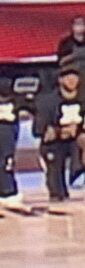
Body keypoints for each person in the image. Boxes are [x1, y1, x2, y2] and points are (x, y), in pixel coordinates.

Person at [34, 66, 85, 202]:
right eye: (68, 78)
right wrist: (59, 131)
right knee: (58, 192)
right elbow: (38, 129)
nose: (72, 81)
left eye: (74, 78)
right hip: (54, 143)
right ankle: (57, 188)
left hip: (76, 140)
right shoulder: (48, 102)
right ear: (60, 80)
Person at [0, 78, 34, 208]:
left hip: (8, 135)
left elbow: (32, 108)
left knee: (7, 162)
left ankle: (8, 191)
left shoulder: (17, 101)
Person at [57, 16, 85, 99]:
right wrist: (75, 55)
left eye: (82, 24)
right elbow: (61, 62)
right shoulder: (65, 43)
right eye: (78, 24)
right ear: (73, 26)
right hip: (73, 78)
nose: (80, 26)